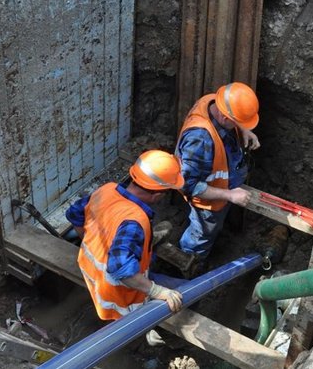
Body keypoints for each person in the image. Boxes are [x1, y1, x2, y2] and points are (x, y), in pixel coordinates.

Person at [66, 150, 186, 322]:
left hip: (89, 269)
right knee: (185, 293)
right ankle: (157, 334)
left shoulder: (107, 189)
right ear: (158, 195)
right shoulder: (134, 222)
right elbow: (121, 270)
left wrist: (92, 241)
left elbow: (74, 214)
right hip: (120, 294)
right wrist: (157, 291)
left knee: (137, 245)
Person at [176, 82, 260, 263]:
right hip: (208, 204)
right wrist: (229, 195)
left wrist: (243, 130)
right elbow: (188, 185)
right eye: (238, 122)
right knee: (202, 234)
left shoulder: (213, 101)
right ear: (224, 117)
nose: (239, 125)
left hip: (225, 189)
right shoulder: (200, 140)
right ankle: (189, 264)